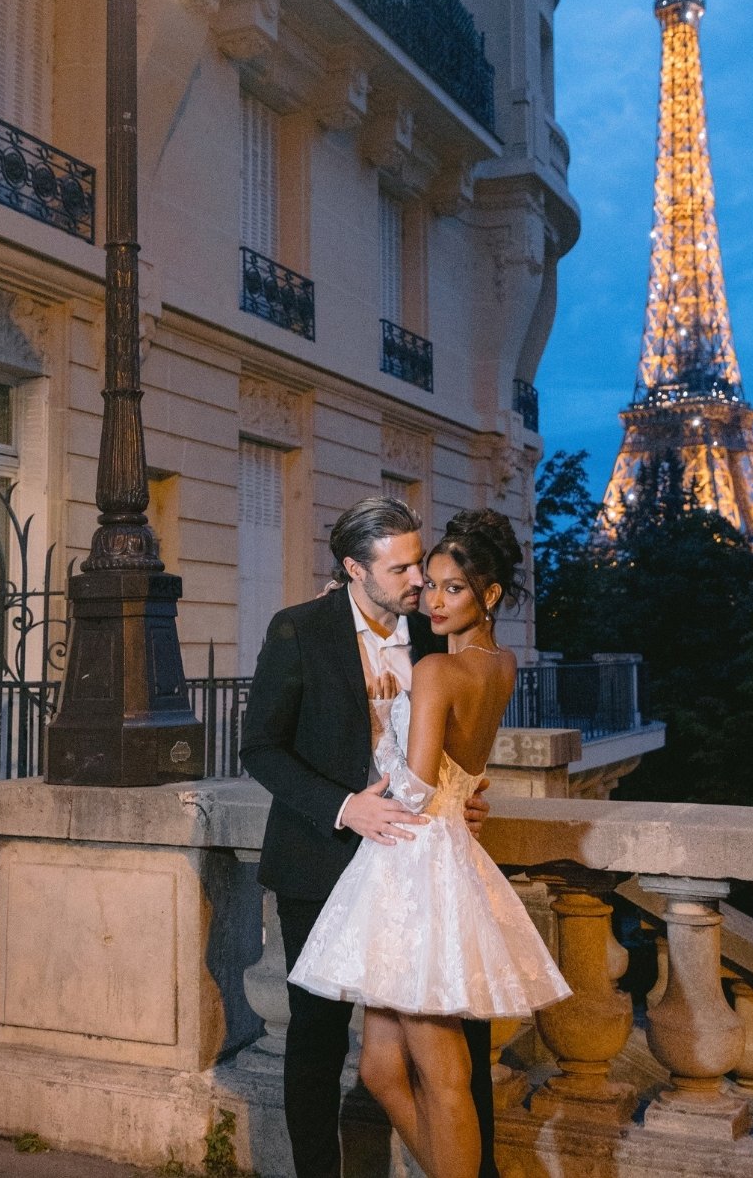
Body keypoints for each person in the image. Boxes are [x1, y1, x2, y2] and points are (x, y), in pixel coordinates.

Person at [288, 510, 571, 1178]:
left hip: (412, 863)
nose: (433, 600)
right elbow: (461, 766)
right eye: (431, 585)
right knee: (383, 1068)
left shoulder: (439, 672)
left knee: (443, 1073)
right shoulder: (501, 664)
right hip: (439, 850)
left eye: (453, 589)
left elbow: (413, 787)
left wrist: (376, 798)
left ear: (490, 595)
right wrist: (461, 792)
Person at [240, 497, 500, 1178]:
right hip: (320, 861)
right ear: (355, 568)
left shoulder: (437, 627)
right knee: (318, 1038)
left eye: (421, 561)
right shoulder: (297, 630)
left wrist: (461, 796)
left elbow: (460, 729)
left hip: (421, 871)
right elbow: (260, 748)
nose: (419, 578)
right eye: (403, 567)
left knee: (461, 1034)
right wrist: (342, 807)